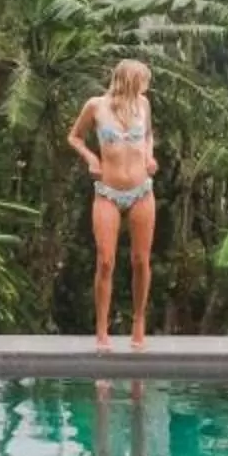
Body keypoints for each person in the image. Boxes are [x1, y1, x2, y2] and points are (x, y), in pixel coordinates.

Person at [68, 57, 157, 350]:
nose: (145, 86)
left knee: (140, 261)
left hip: (141, 190)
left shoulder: (143, 105)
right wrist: (91, 158)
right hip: (107, 191)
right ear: (129, 80)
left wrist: (148, 156)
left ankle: (139, 321)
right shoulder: (96, 106)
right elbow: (74, 137)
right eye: (142, 80)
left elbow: (148, 136)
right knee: (105, 260)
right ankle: (102, 330)